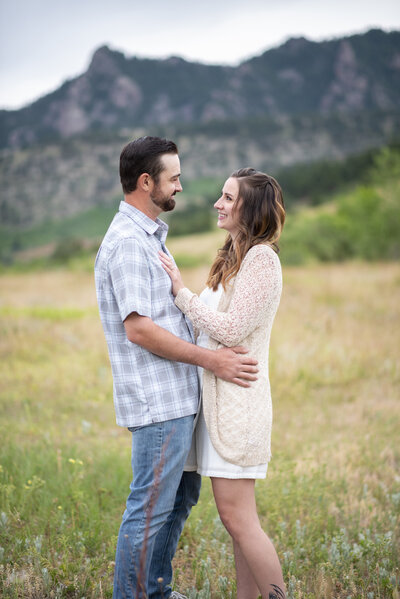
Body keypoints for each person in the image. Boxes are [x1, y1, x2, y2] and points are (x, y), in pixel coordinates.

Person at [94, 137, 259, 599]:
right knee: (149, 509)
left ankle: (156, 591)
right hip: (158, 403)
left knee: (177, 502)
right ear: (147, 183)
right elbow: (140, 330)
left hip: (178, 399)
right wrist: (213, 360)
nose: (181, 187)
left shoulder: (147, 238)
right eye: (175, 178)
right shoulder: (128, 243)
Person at [159, 167, 287, 599]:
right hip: (218, 405)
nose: (218, 203)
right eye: (222, 195)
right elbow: (210, 332)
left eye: (228, 198)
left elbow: (230, 331)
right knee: (236, 524)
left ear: (250, 208)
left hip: (239, 407)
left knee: (239, 520)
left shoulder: (262, 259)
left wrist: (181, 291)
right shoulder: (234, 255)